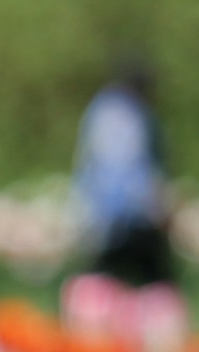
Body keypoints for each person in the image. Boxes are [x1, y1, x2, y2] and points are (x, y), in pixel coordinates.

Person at [75, 61, 173, 287]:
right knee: (150, 278)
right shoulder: (136, 114)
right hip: (131, 211)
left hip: (99, 210)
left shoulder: (100, 108)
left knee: (102, 272)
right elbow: (136, 167)